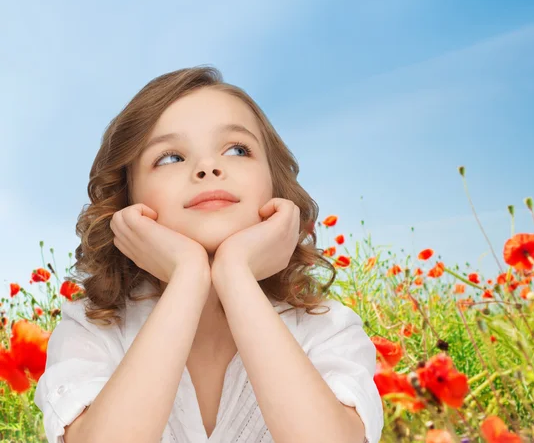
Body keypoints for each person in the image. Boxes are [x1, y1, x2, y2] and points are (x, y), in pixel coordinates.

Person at [33, 66, 384, 443]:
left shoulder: (326, 328)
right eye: (170, 157)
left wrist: (235, 273)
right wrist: (188, 275)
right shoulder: (93, 331)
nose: (208, 167)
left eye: (237, 149)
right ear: (127, 199)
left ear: (275, 185)